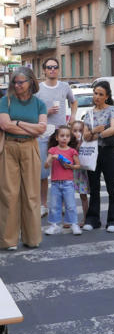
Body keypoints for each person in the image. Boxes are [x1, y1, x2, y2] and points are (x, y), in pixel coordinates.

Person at [0, 67, 47, 250]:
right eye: (15, 82)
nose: (17, 85)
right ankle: (9, 240)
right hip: (9, 147)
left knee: (31, 194)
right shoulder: (5, 101)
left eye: (21, 82)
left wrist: (18, 122)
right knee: (8, 194)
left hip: (30, 148)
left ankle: (32, 238)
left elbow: (42, 128)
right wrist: (30, 127)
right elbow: (4, 125)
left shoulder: (39, 104)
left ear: (31, 83)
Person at [36, 57, 77, 217]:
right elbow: (34, 112)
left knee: (62, 172)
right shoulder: (38, 89)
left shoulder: (65, 86)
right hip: (44, 134)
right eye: (49, 67)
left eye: (55, 67)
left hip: (61, 135)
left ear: (58, 70)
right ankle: (43, 205)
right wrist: (47, 112)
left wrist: (72, 117)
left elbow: (74, 102)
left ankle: (62, 205)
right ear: (44, 70)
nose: (52, 70)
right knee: (43, 173)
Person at [82, 81, 114, 233]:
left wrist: (96, 133)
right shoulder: (89, 113)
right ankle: (93, 219)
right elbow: (85, 136)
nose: (97, 97)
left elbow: (113, 129)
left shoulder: (112, 109)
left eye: (100, 94)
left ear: (106, 97)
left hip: (108, 152)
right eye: (95, 93)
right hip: (93, 153)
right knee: (94, 187)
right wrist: (96, 132)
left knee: (112, 187)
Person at [44, 126, 82, 236]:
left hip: (68, 183)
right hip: (55, 183)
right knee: (54, 206)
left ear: (70, 138)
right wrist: (51, 158)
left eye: (67, 136)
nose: (64, 138)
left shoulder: (72, 151)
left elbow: (78, 165)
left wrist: (71, 166)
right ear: (56, 137)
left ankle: (73, 224)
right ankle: (54, 225)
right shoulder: (52, 150)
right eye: (62, 136)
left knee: (70, 205)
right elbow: (46, 166)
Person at [70, 120, 89, 227]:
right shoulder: (69, 143)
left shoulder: (86, 142)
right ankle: (70, 220)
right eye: (75, 130)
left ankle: (86, 218)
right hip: (73, 173)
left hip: (83, 173)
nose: (78, 133)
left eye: (80, 130)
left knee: (83, 195)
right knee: (68, 195)